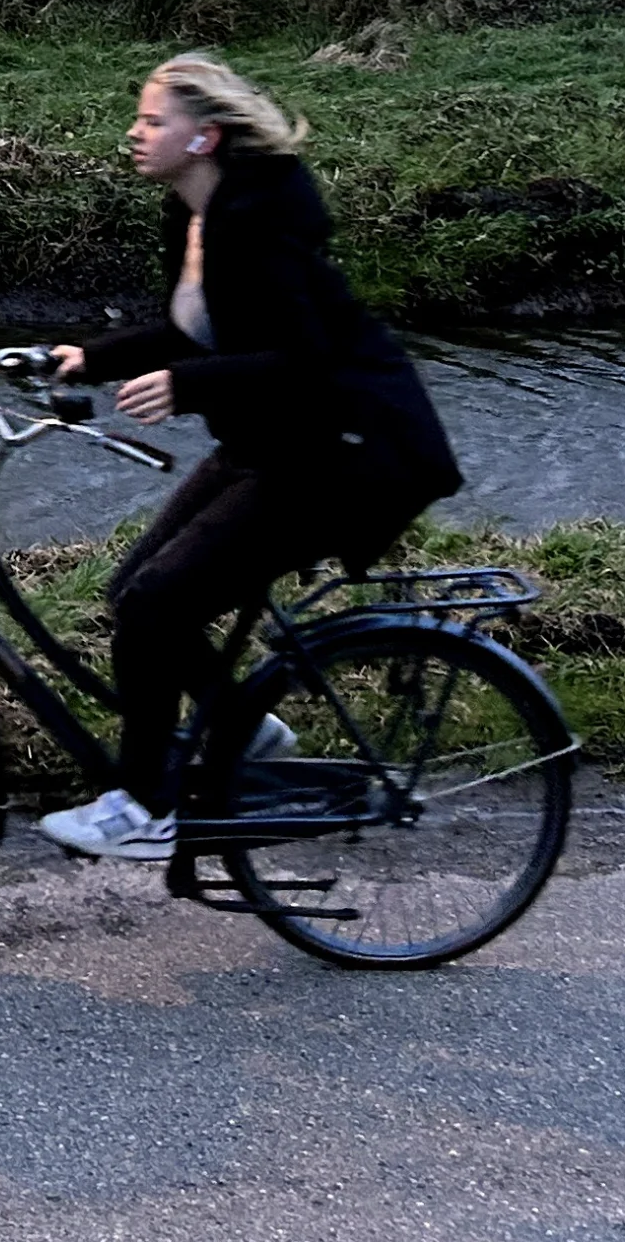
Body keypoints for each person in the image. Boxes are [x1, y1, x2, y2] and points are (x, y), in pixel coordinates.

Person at [34, 53, 464, 866]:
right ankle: (242, 726)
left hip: (345, 454)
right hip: (271, 445)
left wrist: (186, 386)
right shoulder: (194, 217)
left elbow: (303, 358)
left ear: (205, 137)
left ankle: (145, 807)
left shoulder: (258, 223)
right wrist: (85, 359)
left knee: (160, 606)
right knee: (136, 595)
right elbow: (191, 333)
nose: (136, 130)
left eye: (154, 119)